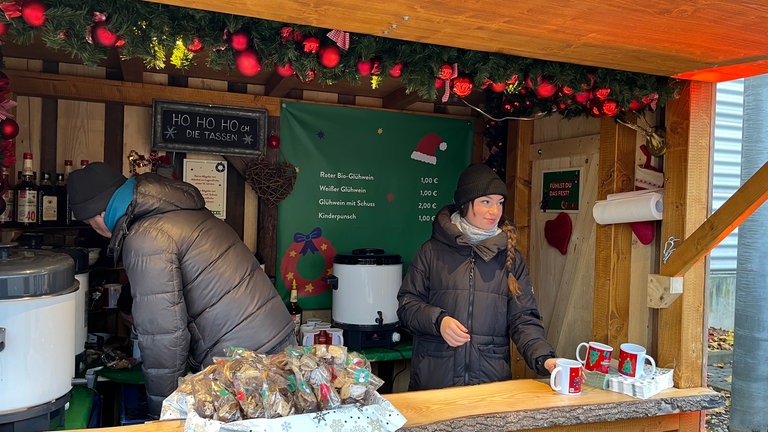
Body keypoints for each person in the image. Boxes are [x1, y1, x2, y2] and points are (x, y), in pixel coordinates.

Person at [67, 162, 295, 417]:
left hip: (242, 364)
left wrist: (164, 412)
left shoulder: (146, 237)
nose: (97, 231)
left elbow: (164, 337)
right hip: (278, 340)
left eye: (90, 223)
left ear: (100, 214)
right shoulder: (182, 210)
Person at [397, 163, 559, 391]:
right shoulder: (431, 252)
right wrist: (438, 321)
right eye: (486, 202)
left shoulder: (511, 258)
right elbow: (407, 306)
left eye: (499, 203)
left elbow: (523, 319)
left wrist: (544, 358)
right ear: (465, 204)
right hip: (435, 383)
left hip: (489, 384)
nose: (495, 211)